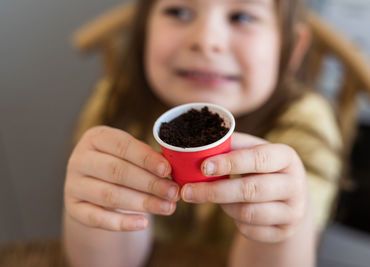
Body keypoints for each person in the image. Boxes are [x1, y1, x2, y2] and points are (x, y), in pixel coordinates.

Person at [63, 0, 343, 266]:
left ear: (291, 47)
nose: (206, 41)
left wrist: (284, 225)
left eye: (242, 17)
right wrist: (101, 204)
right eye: (179, 12)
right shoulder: (116, 106)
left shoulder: (305, 124)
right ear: (144, 27)